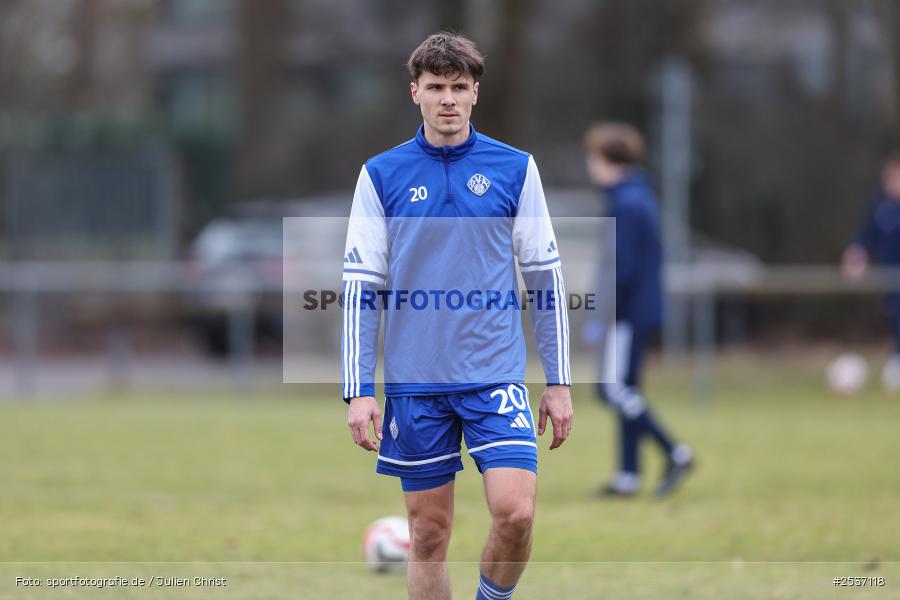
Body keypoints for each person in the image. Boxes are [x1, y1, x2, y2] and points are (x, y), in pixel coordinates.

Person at [341, 32, 573, 600]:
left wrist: (560, 382)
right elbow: (359, 287)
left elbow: (545, 278)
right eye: (436, 87)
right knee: (427, 533)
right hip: (416, 384)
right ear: (414, 92)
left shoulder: (515, 170)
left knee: (515, 513)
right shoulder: (381, 176)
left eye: (459, 87)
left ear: (475, 93)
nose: (448, 99)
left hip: (494, 376)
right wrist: (358, 391)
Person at [584, 122, 694, 498]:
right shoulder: (633, 196)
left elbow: (622, 268)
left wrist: (603, 316)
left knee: (611, 390)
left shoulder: (627, 203)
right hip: (632, 311)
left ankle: (675, 451)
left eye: (593, 157)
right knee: (626, 389)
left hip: (625, 314)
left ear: (606, 159)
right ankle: (628, 476)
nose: (590, 165)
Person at [842, 151, 900, 389]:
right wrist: (855, 253)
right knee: (895, 316)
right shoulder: (879, 207)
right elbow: (865, 238)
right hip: (889, 280)